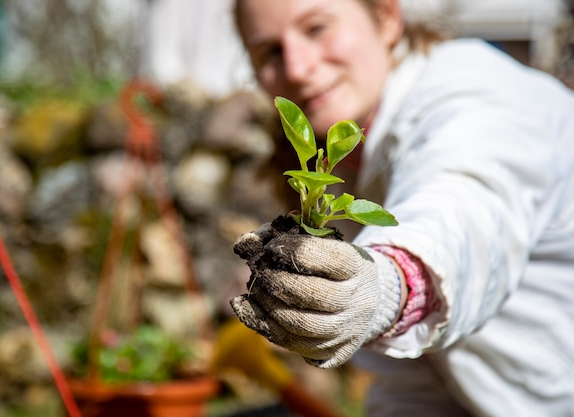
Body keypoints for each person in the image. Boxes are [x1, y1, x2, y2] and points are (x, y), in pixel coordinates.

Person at [227, 0, 574, 415]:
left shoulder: (474, 90)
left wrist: (388, 285)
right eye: (271, 52)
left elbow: (464, 212)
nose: (298, 68)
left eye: (316, 28)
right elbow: (412, 381)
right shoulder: (352, 159)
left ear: (386, 17)